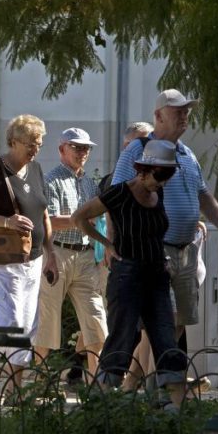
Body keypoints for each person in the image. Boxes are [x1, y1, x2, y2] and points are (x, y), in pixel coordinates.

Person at [111, 89, 218, 346]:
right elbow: (116, 199)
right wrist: (113, 242)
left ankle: (143, 382)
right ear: (159, 116)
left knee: (178, 324)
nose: (185, 116)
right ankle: (161, 383)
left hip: (187, 251)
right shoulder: (138, 150)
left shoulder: (188, 154)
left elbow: (204, 196)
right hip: (156, 250)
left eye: (186, 111)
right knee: (163, 321)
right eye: (178, 111)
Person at [73, 139, 187, 407]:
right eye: (158, 176)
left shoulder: (160, 194)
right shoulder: (120, 193)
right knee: (122, 338)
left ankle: (177, 409)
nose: (161, 183)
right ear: (143, 170)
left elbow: (156, 233)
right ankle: (99, 406)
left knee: (165, 336)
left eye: (167, 176)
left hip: (157, 276)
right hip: (127, 275)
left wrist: (163, 259)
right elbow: (80, 217)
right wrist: (107, 245)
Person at [0, 114, 58, 383]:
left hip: (33, 258)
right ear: (13, 142)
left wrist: (51, 253)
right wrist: (7, 221)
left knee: (28, 326)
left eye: (39, 143)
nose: (35, 149)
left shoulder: (37, 169)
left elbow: (44, 215)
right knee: (11, 322)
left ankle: (15, 391)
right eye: (30, 144)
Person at [33, 128, 107, 378]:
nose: (82, 152)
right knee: (47, 321)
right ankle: (40, 382)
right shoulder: (51, 180)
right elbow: (49, 221)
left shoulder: (89, 182)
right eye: (76, 147)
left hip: (86, 255)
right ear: (61, 149)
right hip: (57, 254)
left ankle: (97, 384)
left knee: (96, 320)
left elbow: (99, 220)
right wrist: (81, 219)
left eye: (86, 148)